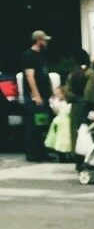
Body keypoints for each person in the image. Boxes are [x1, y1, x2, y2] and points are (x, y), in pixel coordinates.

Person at [20, 28, 53, 162]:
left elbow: (45, 75)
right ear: (39, 40)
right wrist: (36, 95)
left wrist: (50, 92)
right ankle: (31, 153)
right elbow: (30, 76)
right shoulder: (29, 55)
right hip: (34, 97)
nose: (46, 42)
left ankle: (41, 152)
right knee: (33, 124)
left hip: (44, 95)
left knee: (41, 124)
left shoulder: (41, 55)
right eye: (44, 40)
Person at [63, 48, 94, 167]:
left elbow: (66, 90)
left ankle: (77, 158)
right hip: (86, 108)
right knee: (87, 133)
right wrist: (86, 102)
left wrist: (74, 98)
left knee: (75, 133)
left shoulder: (72, 73)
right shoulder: (90, 73)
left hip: (75, 107)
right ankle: (87, 158)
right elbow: (90, 93)